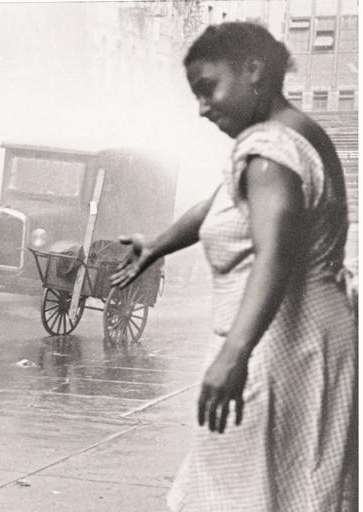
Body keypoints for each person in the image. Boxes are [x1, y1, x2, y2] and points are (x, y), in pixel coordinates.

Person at [110, 22, 356, 511]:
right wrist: (157, 244)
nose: (202, 108)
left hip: (280, 349)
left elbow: (275, 251)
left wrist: (234, 354)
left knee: (242, 496)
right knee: (285, 492)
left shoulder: (269, 157)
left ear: (253, 70)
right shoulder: (286, 137)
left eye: (208, 89)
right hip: (310, 342)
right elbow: (221, 203)